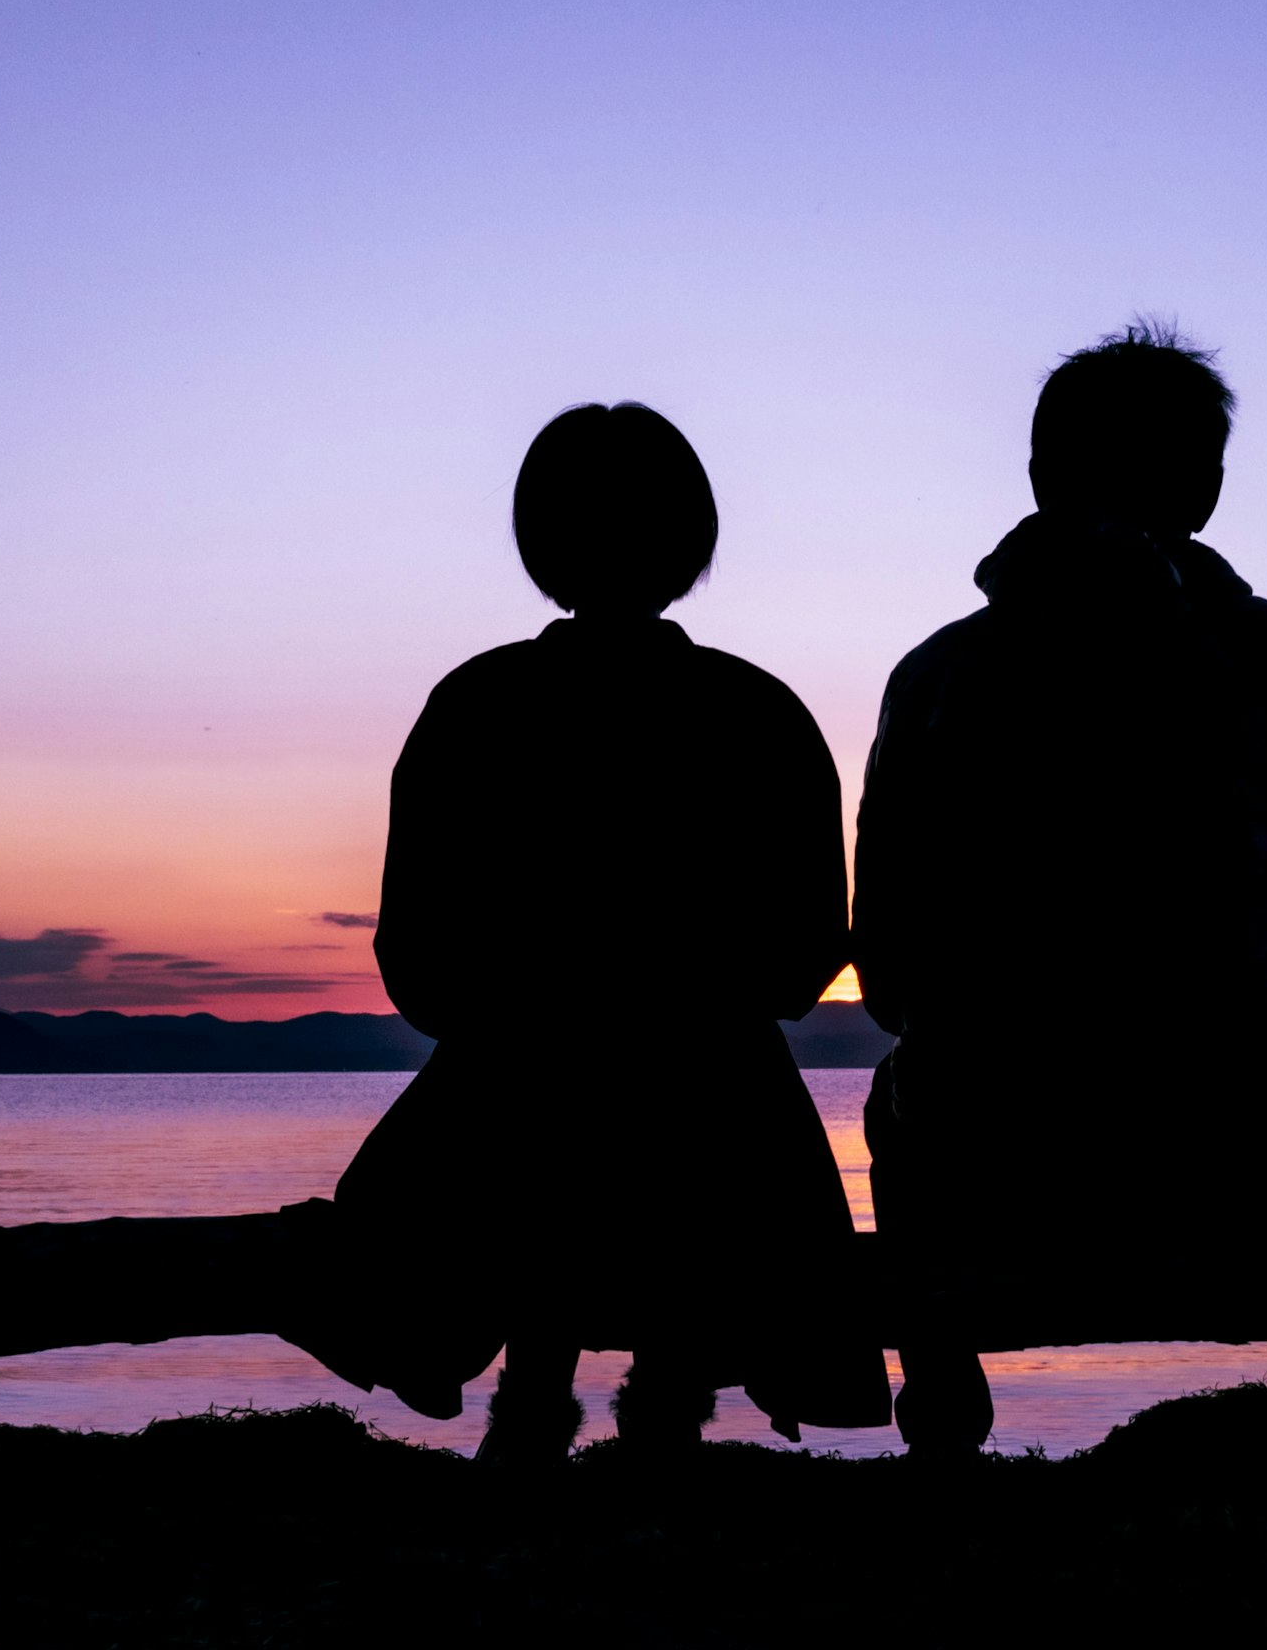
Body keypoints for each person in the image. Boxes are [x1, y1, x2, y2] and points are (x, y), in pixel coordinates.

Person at [849, 324, 1267, 1452]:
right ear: (1210, 489)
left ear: (1036, 478)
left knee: (902, 1080)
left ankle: (939, 1388)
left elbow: (887, 969)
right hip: (1243, 1133)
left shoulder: (938, 677)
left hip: (999, 1139)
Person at [329, 401, 889, 1457]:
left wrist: (525, 1006)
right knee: (701, 1100)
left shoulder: (478, 703)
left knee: (516, 1100)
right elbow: (805, 957)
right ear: (693, 542)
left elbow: (418, 963)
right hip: (722, 1112)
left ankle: (534, 1392)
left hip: (502, 1106)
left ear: (540, 541)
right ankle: (666, 1404)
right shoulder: (758, 711)